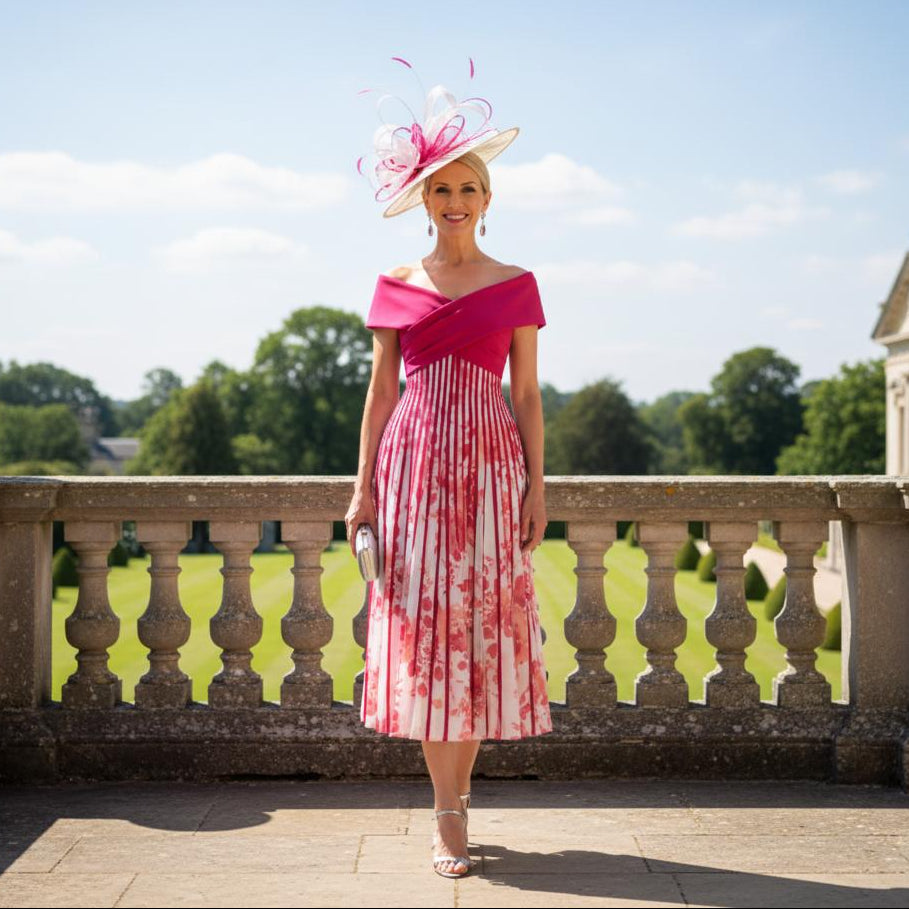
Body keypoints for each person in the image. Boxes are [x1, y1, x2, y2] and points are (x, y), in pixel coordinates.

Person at [346, 56, 553, 879]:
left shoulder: (517, 285)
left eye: (468, 189)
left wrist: (540, 485)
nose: (455, 202)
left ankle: (456, 805)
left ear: (487, 199)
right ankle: (447, 817)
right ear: (423, 201)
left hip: (494, 473)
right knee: (428, 638)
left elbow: (529, 393)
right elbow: (379, 390)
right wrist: (362, 486)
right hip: (412, 469)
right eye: (441, 190)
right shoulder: (394, 285)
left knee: (475, 633)